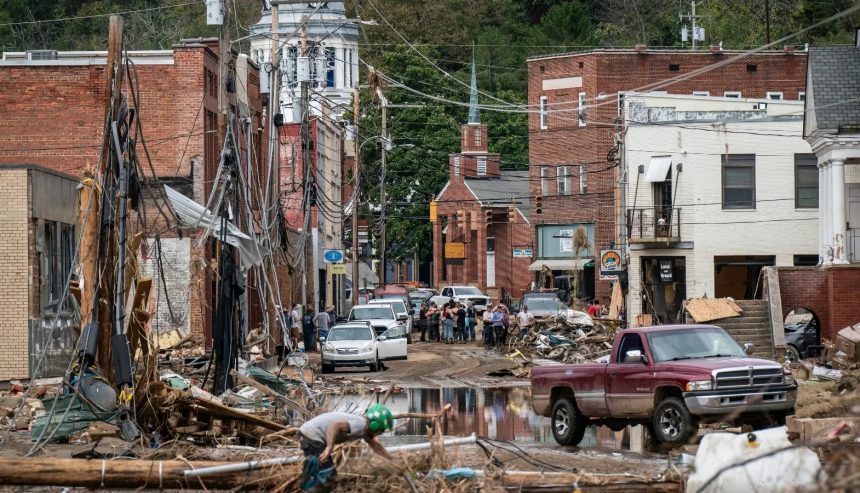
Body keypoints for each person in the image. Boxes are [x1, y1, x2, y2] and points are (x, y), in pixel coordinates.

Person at [299, 404, 395, 491]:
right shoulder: (361, 424)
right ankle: (308, 484)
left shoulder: (364, 429)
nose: (380, 434)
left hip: (311, 435)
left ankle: (310, 483)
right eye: (381, 431)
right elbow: (335, 426)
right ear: (375, 425)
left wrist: (392, 459)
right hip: (312, 435)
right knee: (327, 475)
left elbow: (375, 445)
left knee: (329, 476)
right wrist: (329, 448)